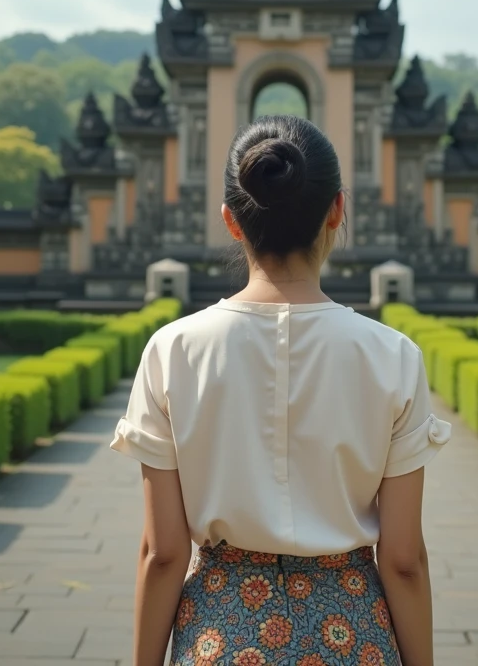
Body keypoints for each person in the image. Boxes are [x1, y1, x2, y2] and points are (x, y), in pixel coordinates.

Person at [111, 115, 451, 666]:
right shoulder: (393, 356)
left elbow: (163, 552)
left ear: (231, 221)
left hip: (221, 632)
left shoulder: (173, 350)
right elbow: (405, 559)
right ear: (337, 211)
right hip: (353, 630)